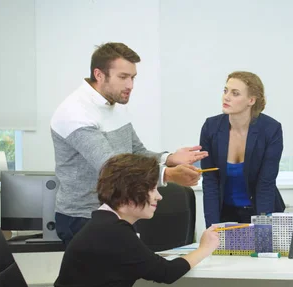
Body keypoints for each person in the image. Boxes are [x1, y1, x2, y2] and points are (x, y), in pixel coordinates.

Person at [39, 153, 220, 287]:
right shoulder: (113, 231)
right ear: (131, 190)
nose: (159, 197)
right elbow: (167, 272)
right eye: (153, 189)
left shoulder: (105, 222)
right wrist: (204, 248)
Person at [50, 42, 208, 244]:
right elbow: (112, 167)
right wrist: (167, 174)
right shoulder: (75, 112)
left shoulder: (114, 104)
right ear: (99, 75)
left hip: (119, 212)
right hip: (83, 217)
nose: (130, 85)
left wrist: (169, 158)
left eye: (132, 77)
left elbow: (135, 152)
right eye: (123, 77)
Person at [199, 71, 285, 227]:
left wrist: (263, 228)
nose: (226, 97)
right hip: (224, 212)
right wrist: (212, 226)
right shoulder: (210, 127)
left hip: (260, 209)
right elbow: (210, 181)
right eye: (225, 91)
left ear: (251, 100)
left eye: (235, 93)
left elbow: (266, 183)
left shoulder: (271, 129)